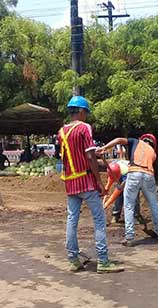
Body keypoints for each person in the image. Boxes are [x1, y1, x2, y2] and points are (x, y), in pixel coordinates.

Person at [58, 96, 124, 273]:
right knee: (99, 220)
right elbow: (90, 157)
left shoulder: (62, 131)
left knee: (72, 220)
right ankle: (103, 261)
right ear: (80, 111)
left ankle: (73, 259)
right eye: (85, 112)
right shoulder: (84, 128)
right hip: (86, 181)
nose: (86, 115)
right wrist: (100, 182)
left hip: (70, 183)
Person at [98, 134, 158, 246]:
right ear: (153, 144)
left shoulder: (135, 141)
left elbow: (119, 139)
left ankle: (129, 237)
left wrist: (104, 148)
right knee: (154, 204)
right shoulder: (153, 153)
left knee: (129, 204)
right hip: (148, 175)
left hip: (134, 173)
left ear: (142, 139)